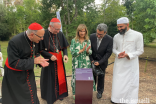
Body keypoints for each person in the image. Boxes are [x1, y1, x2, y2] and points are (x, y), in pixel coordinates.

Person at [2, 23, 49, 104]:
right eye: (40, 37)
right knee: (18, 97)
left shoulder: (35, 39)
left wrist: (40, 61)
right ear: (31, 35)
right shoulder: (14, 42)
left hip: (27, 70)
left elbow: (35, 52)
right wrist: (33, 61)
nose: (42, 39)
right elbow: (13, 62)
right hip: (15, 75)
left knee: (31, 94)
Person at [111, 17, 144, 104]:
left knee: (131, 83)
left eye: (121, 27)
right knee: (118, 82)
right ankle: (116, 99)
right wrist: (118, 53)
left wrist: (129, 55)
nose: (119, 29)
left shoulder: (138, 35)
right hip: (119, 64)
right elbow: (113, 49)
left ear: (127, 24)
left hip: (131, 64)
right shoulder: (116, 36)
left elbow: (140, 50)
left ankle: (130, 101)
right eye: (118, 27)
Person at [40, 18, 69, 104]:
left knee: (60, 77)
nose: (58, 31)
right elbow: (40, 50)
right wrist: (49, 56)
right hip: (48, 60)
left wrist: (65, 55)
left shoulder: (60, 33)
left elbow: (64, 47)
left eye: (59, 29)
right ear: (50, 26)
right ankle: (49, 96)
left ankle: (59, 95)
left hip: (59, 59)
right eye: (56, 29)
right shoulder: (43, 34)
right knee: (49, 79)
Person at [70, 24, 96, 99]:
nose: (82, 33)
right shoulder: (74, 40)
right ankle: (75, 93)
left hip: (86, 62)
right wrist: (80, 50)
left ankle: (85, 92)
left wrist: (88, 51)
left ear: (85, 32)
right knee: (76, 77)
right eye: (80, 31)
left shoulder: (88, 41)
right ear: (78, 32)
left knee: (85, 78)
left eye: (83, 31)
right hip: (76, 62)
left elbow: (91, 52)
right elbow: (72, 52)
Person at [89, 23, 113, 99]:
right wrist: (91, 60)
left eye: (101, 34)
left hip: (102, 62)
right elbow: (89, 49)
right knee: (91, 77)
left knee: (101, 77)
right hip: (92, 60)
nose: (98, 36)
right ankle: (91, 90)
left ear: (105, 33)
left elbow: (108, 52)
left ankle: (100, 91)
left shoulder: (110, 39)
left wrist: (100, 62)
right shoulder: (91, 36)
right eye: (97, 33)